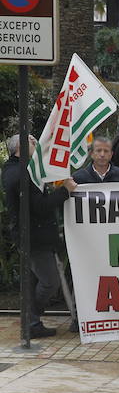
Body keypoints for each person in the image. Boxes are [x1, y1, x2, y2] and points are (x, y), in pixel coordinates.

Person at [2, 134, 78, 338]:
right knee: (49, 282)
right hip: (34, 237)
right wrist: (64, 191)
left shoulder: (17, 170)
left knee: (36, 281)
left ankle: (32, 322)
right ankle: (31, 318)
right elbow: (40, 206)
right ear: (21, 146)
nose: (37, 143)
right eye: (33, 141)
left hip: (35, 235)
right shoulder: (20, 174)